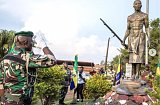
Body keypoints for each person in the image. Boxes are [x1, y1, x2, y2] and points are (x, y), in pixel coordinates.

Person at [0, 31, 56, 105]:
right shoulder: (27, 57)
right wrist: (43, 45)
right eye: (31, 42)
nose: (32, 44)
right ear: (25, 42)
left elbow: (1, 84)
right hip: (20, 102)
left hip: (5, 100)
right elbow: (52, 60)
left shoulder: (5, 58)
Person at [122, 0, 149, 79]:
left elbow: (147, 27)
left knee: (139, 55)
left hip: (140, 35)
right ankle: (133, 74)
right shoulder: (129, 17)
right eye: (136, 4)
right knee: (132, 56)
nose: (137, 5)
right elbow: (128, 29)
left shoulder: (144, 15)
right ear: (133, 6)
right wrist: (124, 39)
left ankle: (137, 74)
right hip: (132, 36)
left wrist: (149, 38)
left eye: (139, 4)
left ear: (141, 5)